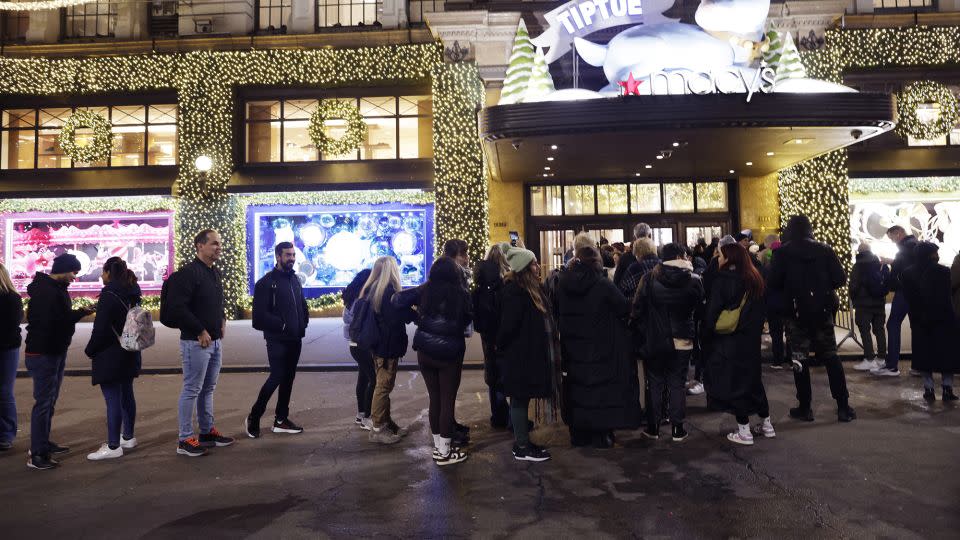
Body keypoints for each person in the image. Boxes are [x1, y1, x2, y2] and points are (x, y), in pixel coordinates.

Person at [768, 215, 855, 423]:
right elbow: (840, 278)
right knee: (831, 357)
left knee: (799, 359)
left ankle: (805, 406)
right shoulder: (824, 250)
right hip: (822, 312)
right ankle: (843, 405)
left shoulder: (782, 253)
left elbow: (773, 282)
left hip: (796, 315)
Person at [556, 245, 640, 448]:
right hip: (600, 346)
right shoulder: (602, 284)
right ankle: (601, 434)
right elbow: (622, 306)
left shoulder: (562, 284)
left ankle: (579, 433)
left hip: (572, 348)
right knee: (600, 391)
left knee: (578, 389)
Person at [394, 257, 472, 465]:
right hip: (450, 352)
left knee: (434, 398)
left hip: (425, 350)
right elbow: (468, 318)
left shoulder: (425, 290)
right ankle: (445, 453)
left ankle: (439, 447)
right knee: (447, 400)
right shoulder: (461, 293)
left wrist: (416, 318)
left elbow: (396, 300)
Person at [166, 229, 233, 457]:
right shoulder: (188, 274)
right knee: (192, 389)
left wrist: (222, 319)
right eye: (214, 244)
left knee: (208, 389)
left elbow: (215, 301)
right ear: (200, 246)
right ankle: (184, 439)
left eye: (219, 244)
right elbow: (178, 307)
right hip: (196, 342)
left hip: (214, 342)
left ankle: (206, 432)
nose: (218, 248)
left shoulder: (213, 272)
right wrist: (199, 330)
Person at [24, 253, 93, 469]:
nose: (75, 277)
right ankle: (37, 454)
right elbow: (49, 323)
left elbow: (59, 318)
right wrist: (71, 319)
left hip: (53, 351)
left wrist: (79, 313)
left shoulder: (55, 290)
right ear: (63, 269)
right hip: (44, 353)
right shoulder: (47, 292)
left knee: (49, 401)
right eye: (74, 272)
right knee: (43, 403)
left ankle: (42, 442)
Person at [703, 243, 774, 445]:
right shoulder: (755, 279)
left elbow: (711, 314)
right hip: (751, 340)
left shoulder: (722, 281)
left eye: (720, 255)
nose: (718, 258)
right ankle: (767, 424)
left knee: (736, 385)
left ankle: (744, 431)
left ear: (729, 258)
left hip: (730, 340)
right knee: (754, 381)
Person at [632, 243, 704, 442]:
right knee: (677, 383)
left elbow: (637, 310)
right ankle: (677, 429)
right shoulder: (694, 281)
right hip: (683, 339)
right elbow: (700, 310)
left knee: (654, 383)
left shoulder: (649, 279)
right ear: (681, 256)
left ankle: (653, 428)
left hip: (655, 340)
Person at [245, 242, 309, 439]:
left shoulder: (295, 280)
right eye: (287, 255)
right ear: (278, 257)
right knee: (277, 376)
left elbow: (301, 304)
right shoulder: (266, 283)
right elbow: (258, 318)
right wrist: (282, 325)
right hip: (277, 340)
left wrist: (303, 322)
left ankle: (281, 419)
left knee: (288, 378)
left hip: (295, 338)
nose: (291, 258)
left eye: (293, 255)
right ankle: (254, 417)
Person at [497, 247, 554, 462]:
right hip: (519, 356)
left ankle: (523, 441)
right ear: (523, 269)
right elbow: (508, 327)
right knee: (519, 399)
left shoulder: (528, 290)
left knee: (522, 398)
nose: (537, 267)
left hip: (525, 355)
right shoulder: (515, 293)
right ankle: (521, 446)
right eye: (533, 264)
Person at [84, 257, 142, 461]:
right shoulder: (133, 290)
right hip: (131, 349)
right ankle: (128, 437)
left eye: (103, 271)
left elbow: (100, 329)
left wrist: (90, 350)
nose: (101, 275)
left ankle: (113, 445)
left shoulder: (108, 294)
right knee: (127, 393)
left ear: (109, 272)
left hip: (110, 353)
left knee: (112, 399)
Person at [363, 256, 416, 444]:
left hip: (380, 346)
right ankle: (378, 428)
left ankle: (386, 422)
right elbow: (398, 318)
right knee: (383, 387)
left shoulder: (374, 289)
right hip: (387, 348)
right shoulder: (388, 293)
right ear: (392, 270)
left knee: (384, 385)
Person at [900, 242, 959, 401]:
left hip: (919, 320)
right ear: (931, 254)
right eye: (935, 252)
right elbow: (947, 297)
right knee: (947, 355)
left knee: (924, 355)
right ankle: (947, 388)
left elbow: (908, 297)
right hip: (943, 319)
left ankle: (929, 389)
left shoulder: (907, 273)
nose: (937, 255)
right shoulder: (943, 271)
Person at [473, 243, 511, 428]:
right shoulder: (504, 283)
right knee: (505, 375)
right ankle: (508, 418)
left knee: (493, 375)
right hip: (502, 336)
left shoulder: (481, 284)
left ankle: (497, 415)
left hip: (487, 335)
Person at [873, 225, 917, 377]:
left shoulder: (906, 246)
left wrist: (891, 264)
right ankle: (918, 365)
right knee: (915, 326)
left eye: (892, 237)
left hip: (905, 291)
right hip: (914, 292)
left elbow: (902, 267)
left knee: (893, 324)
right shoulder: (913, 245)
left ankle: (892, 365)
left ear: (898, 233)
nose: (892, 241)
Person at [342, 269, 374, 430]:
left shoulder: (352, 297)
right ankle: (367, 416)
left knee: (364, 378)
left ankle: (361, 414)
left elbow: (348, 319)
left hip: (355, 344)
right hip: (362, 344)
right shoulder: (362, 299)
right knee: (374, 379)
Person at [850, 243, 889, 372]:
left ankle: (869, 358)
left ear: (860, 251)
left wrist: (853, 297)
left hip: (863, 303)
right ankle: (882, 358)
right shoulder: (879, 264)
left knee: (865, 330)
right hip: (879, 302)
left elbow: (854, 285)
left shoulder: (858, 265)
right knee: (879, 329)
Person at [0, 263, 22, 452]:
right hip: (9, 348)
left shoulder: (10, 298)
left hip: (6, 349)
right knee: (5, 392)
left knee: (5, 392)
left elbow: (9, 327)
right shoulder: (14, 298)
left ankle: (6, 434)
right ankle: (6, 434)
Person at [762, 240, 789, 369]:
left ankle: (778, 360)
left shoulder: (768, 267)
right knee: (790, 332)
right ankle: (790, 359)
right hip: (787, 303)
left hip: (773, 304)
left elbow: (765, 287)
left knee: (776, 333)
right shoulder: (789, 266)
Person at [613, 222, 652, 288]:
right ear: (650, 236)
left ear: (634, 237)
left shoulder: (625, 258)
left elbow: (616, 282)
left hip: (630, 296)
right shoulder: (658, 256)